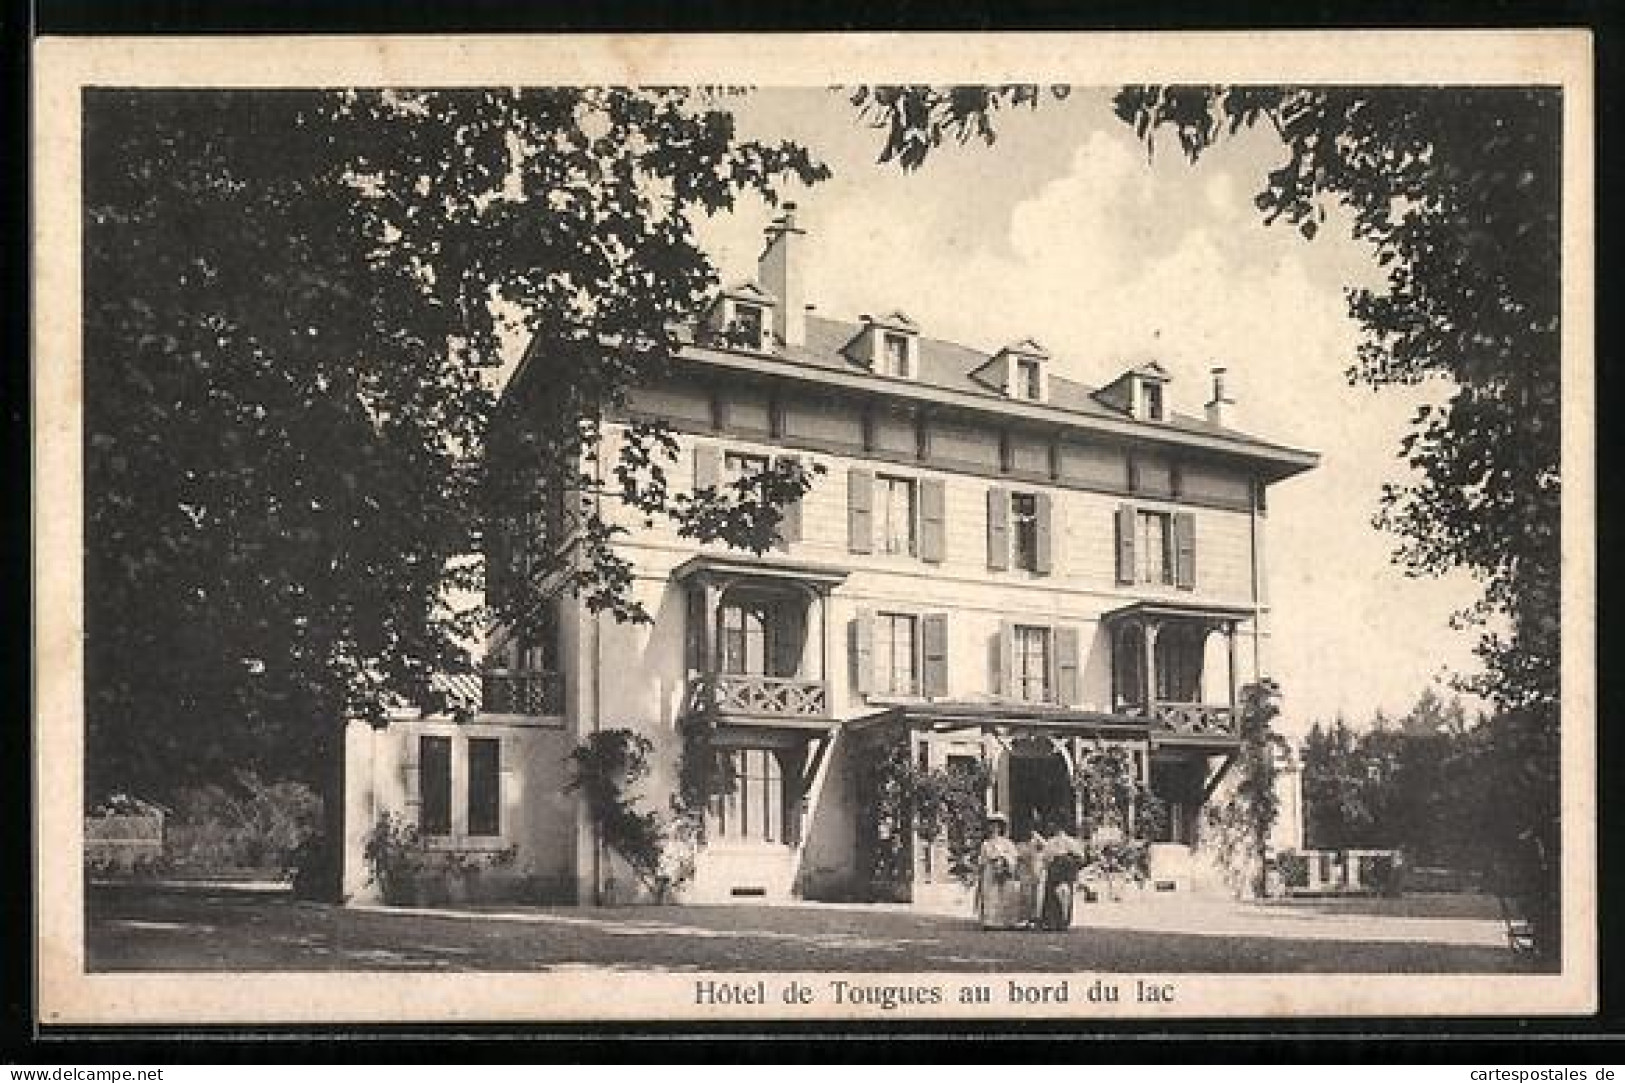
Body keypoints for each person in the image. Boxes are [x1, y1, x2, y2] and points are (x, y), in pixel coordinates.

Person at [975, 814, 1023, 929]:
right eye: (991, 826)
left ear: (1001, 828)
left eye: (996, 826)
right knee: (991, 894)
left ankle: (1007, 921)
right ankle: (991, 921)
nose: (994, 828)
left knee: (1006, 893)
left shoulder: (1007, 843)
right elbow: (982, 860)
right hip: (990, 870)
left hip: (1005, 870)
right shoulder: (986, 844)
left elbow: (1014, 857)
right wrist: (981, 873)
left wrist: (1005, 861)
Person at [1039, 817, 1086, 931]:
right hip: (1054, 869)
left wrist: (1068, 861)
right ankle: (1052, 921)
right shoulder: (1051, 841)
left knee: (1064, 895)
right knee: (1052, 895)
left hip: (1065, 870)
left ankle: (1062, 921)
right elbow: (1045, 857)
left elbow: (1080, 856)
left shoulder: (1069, 841)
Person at [1017, 822, 1048, 928]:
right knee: (1026, 895)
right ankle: (1025, 918)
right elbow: (1018, 858)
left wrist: (1037, 837)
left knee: (1038, 895)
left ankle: (1036, 919)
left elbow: (1046, 849)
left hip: (1038, 870)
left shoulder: (1038, 843)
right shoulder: (1021, 845)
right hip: (1025, 872)